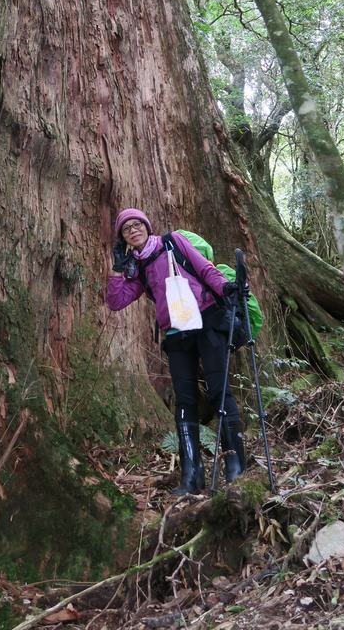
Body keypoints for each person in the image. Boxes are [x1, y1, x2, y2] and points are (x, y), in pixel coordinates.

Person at [107, 208, 246, 493]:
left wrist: (227, 289)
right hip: (176, 333)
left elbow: (204, 268)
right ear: (124, 238)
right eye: (126, 229)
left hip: (207, 320)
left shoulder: (173, 242)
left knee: (220, 391)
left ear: (147, 226)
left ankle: (235, 465)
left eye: (137, 225)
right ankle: (191, 476)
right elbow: (116, 302)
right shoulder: (136, 268)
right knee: (184, 402)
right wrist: (117, 271)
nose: (133, 230)